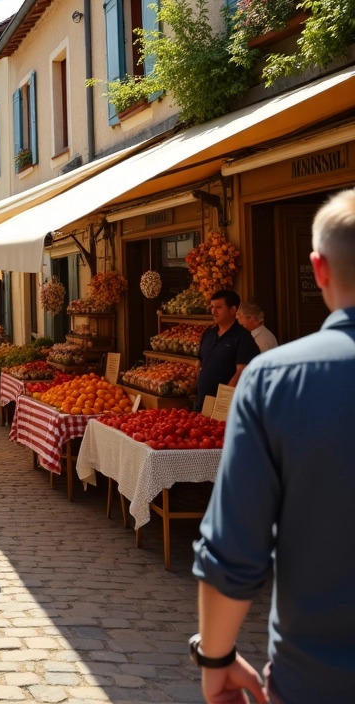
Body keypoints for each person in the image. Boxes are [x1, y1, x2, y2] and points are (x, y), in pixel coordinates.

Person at [191, 189, 355, 703]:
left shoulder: (276, 380)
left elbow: (234, 546)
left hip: (318, 678)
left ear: (319, 270)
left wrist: (215, 658)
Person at [194, 290, 260, 411]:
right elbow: (201, 362)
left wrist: (223, 401)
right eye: (212, 307)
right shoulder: (209, 333)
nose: (213, 311)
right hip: (202, 402)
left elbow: (242, 372)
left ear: (233, 310)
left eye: (219, 307)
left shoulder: (243, 337)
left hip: (226, 407)